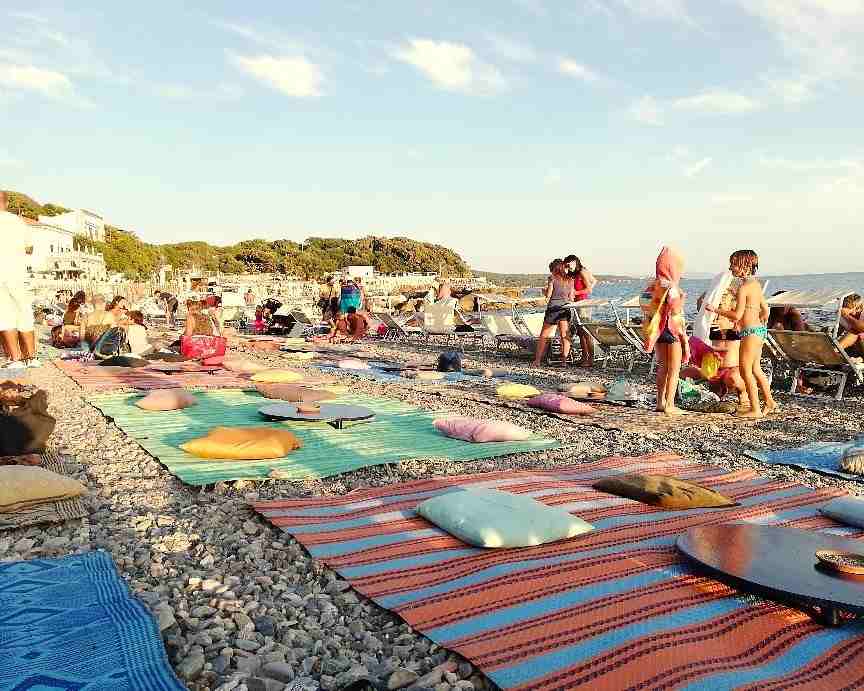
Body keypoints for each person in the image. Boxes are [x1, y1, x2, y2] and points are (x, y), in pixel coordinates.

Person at [707, 250, 778, 418]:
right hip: (759, 331)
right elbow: (765, 310)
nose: (730, 267)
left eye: (733, 264)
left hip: (750, 333)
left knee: (746, 371)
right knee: (756, 369)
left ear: (744, 266)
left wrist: (716, 309)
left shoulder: (743, 288)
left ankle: (755, 409)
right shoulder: (756, 285)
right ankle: (769, 402)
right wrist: (756, 321)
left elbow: (736, 315)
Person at [642, 246, 690, 416]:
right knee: (674, 368)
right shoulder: (673, 287)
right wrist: (682, 298)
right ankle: (670, 404)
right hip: (671, 328)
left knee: (662, 366)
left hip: (657, 330)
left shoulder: (652, 286)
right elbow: (676, 309)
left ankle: (660, 402)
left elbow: (644, 304)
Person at [0, 191, 40, 369]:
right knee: (24, 313)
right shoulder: (18, 221)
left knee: (5, 316)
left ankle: (15, 359)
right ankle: (31, 358)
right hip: (18, 273)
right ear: (6, 203)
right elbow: (29, 248)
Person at [533, 259, 574, 366]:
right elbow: (571, 298)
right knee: (564, 336)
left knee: (544, 336)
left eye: (551, 269)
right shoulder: (570, 280)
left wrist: (544, 291)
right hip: (565, 309)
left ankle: (537, 361)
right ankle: (564, 361)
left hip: (553, 309)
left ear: (554, 269)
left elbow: (548, 295)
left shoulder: (552, 278)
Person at [563, 255, 597, 367]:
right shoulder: (574, 274)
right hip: (576, 304)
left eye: (569, 264)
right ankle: (584, 357)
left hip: (584, 305)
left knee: (586, 332)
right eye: (566, 265)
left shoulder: (582, 271)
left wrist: (575, 293)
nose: (568, 267)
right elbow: (594, 281)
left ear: (575, 262)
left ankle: (591, 359)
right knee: (580, 332)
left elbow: (589, 289)